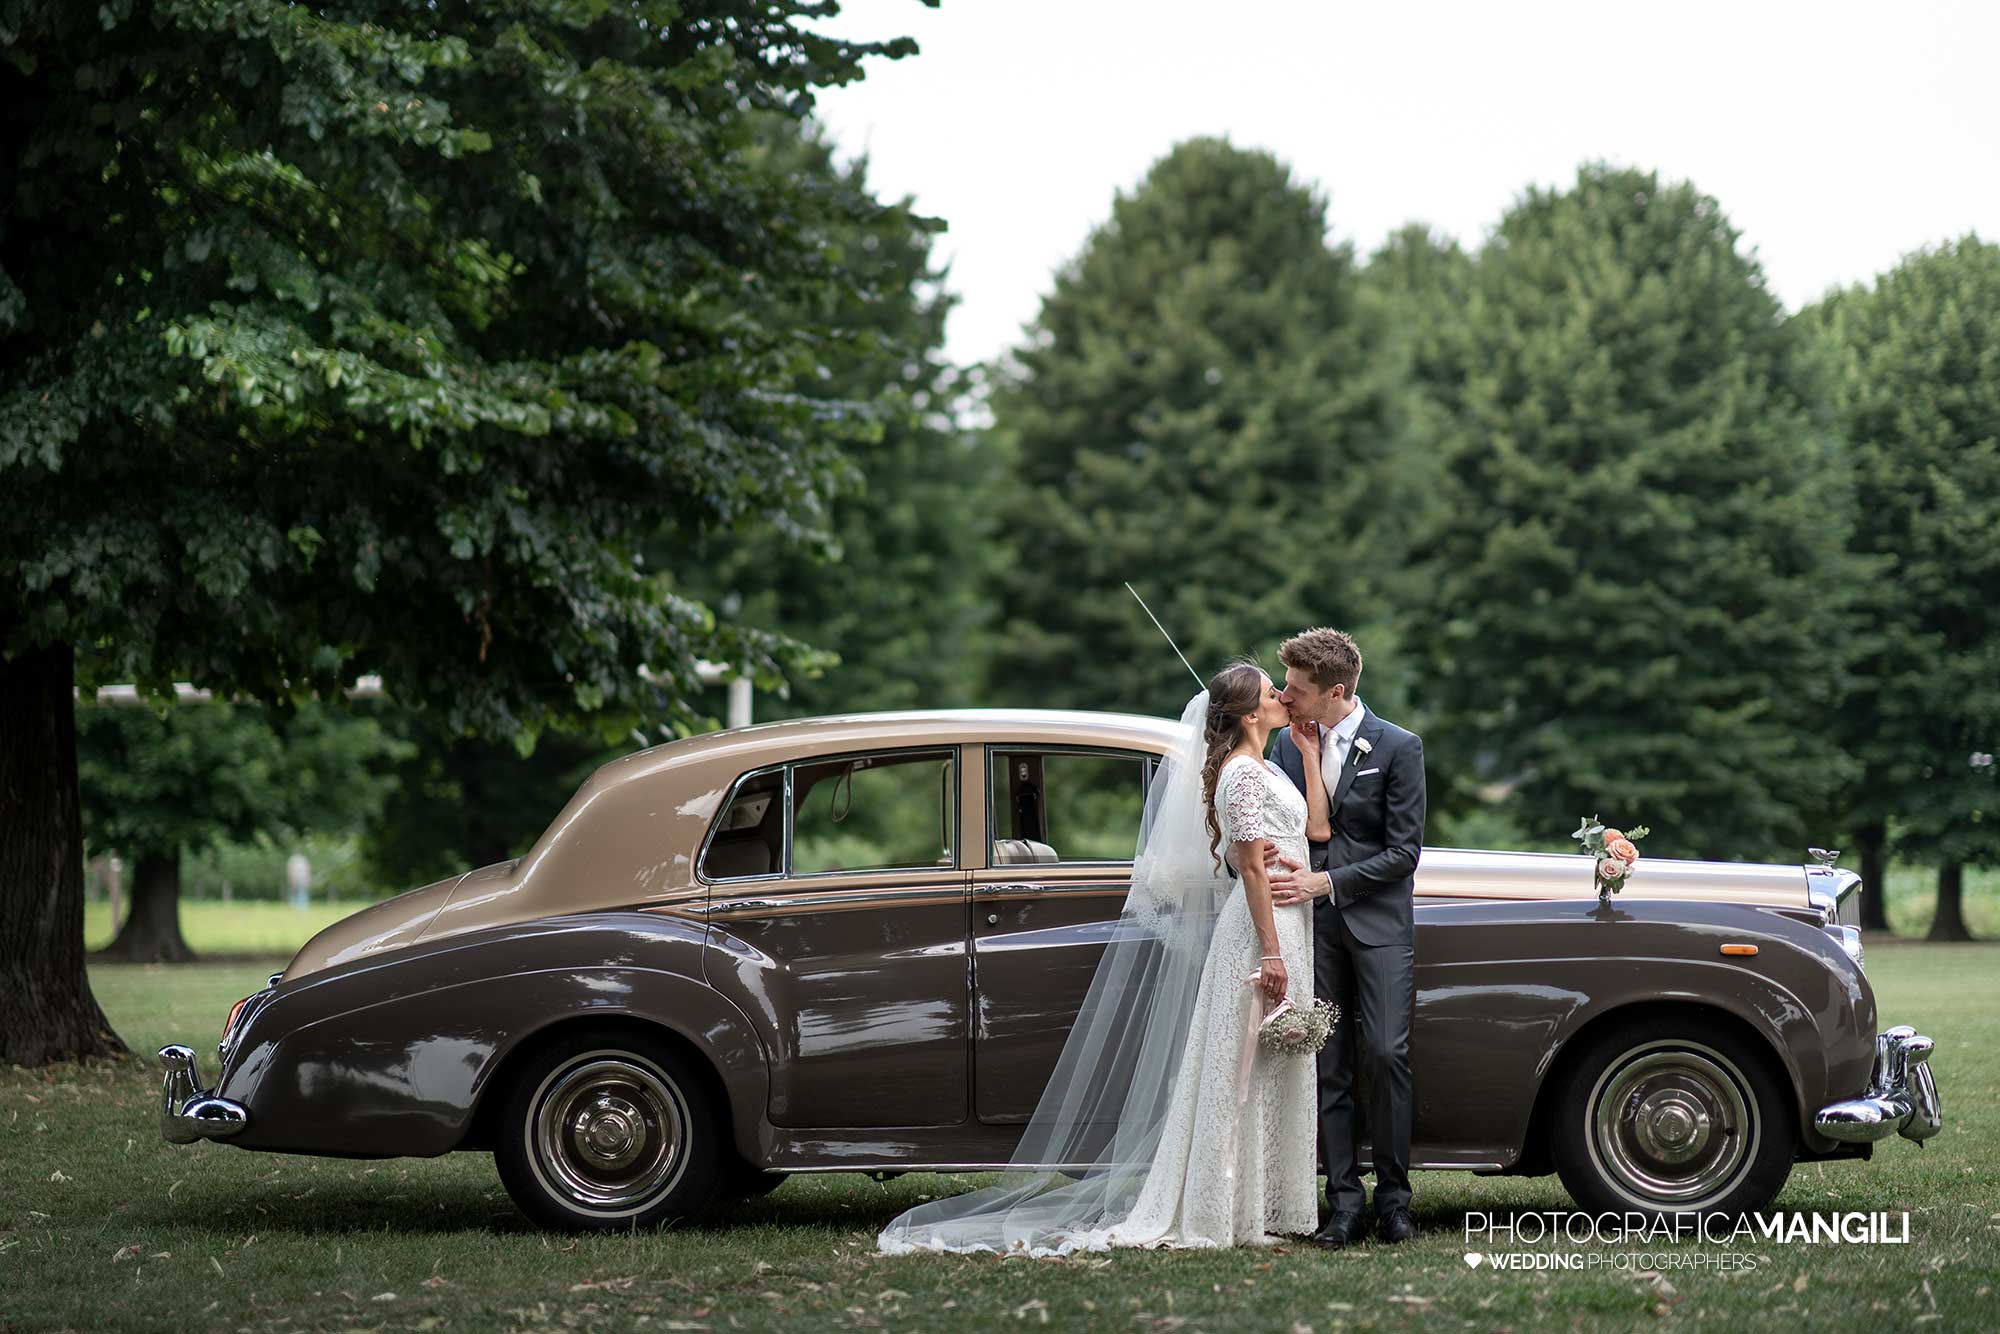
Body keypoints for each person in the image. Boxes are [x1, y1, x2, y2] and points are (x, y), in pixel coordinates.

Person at [877, 661, 1318, 1254]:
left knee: (1265, 1068)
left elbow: (1313, 830)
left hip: (1292, 921)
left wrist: (1310, 756)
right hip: (1260, 931)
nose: (1283, 699)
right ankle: (1224, 1211)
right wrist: (1269, 952)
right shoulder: (1239, 776)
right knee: (1238, 1073)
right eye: (1272, 693)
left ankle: (1255, 1207)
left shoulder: (1271, 767)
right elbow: (1249, 867)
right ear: (1248, 714)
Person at [1265, 627, 1426, 1248]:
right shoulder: (1284, 744)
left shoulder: (1399, 746)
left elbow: (1403, 853)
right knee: (1327, 1061)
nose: (1287, 696)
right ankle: (1343, 1202)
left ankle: (1394, 1200)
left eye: (1298, 689)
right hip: (1312, 928)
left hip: (1379, 924)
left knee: (1387, 1054)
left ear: (1336, 691)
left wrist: (1326, 882)